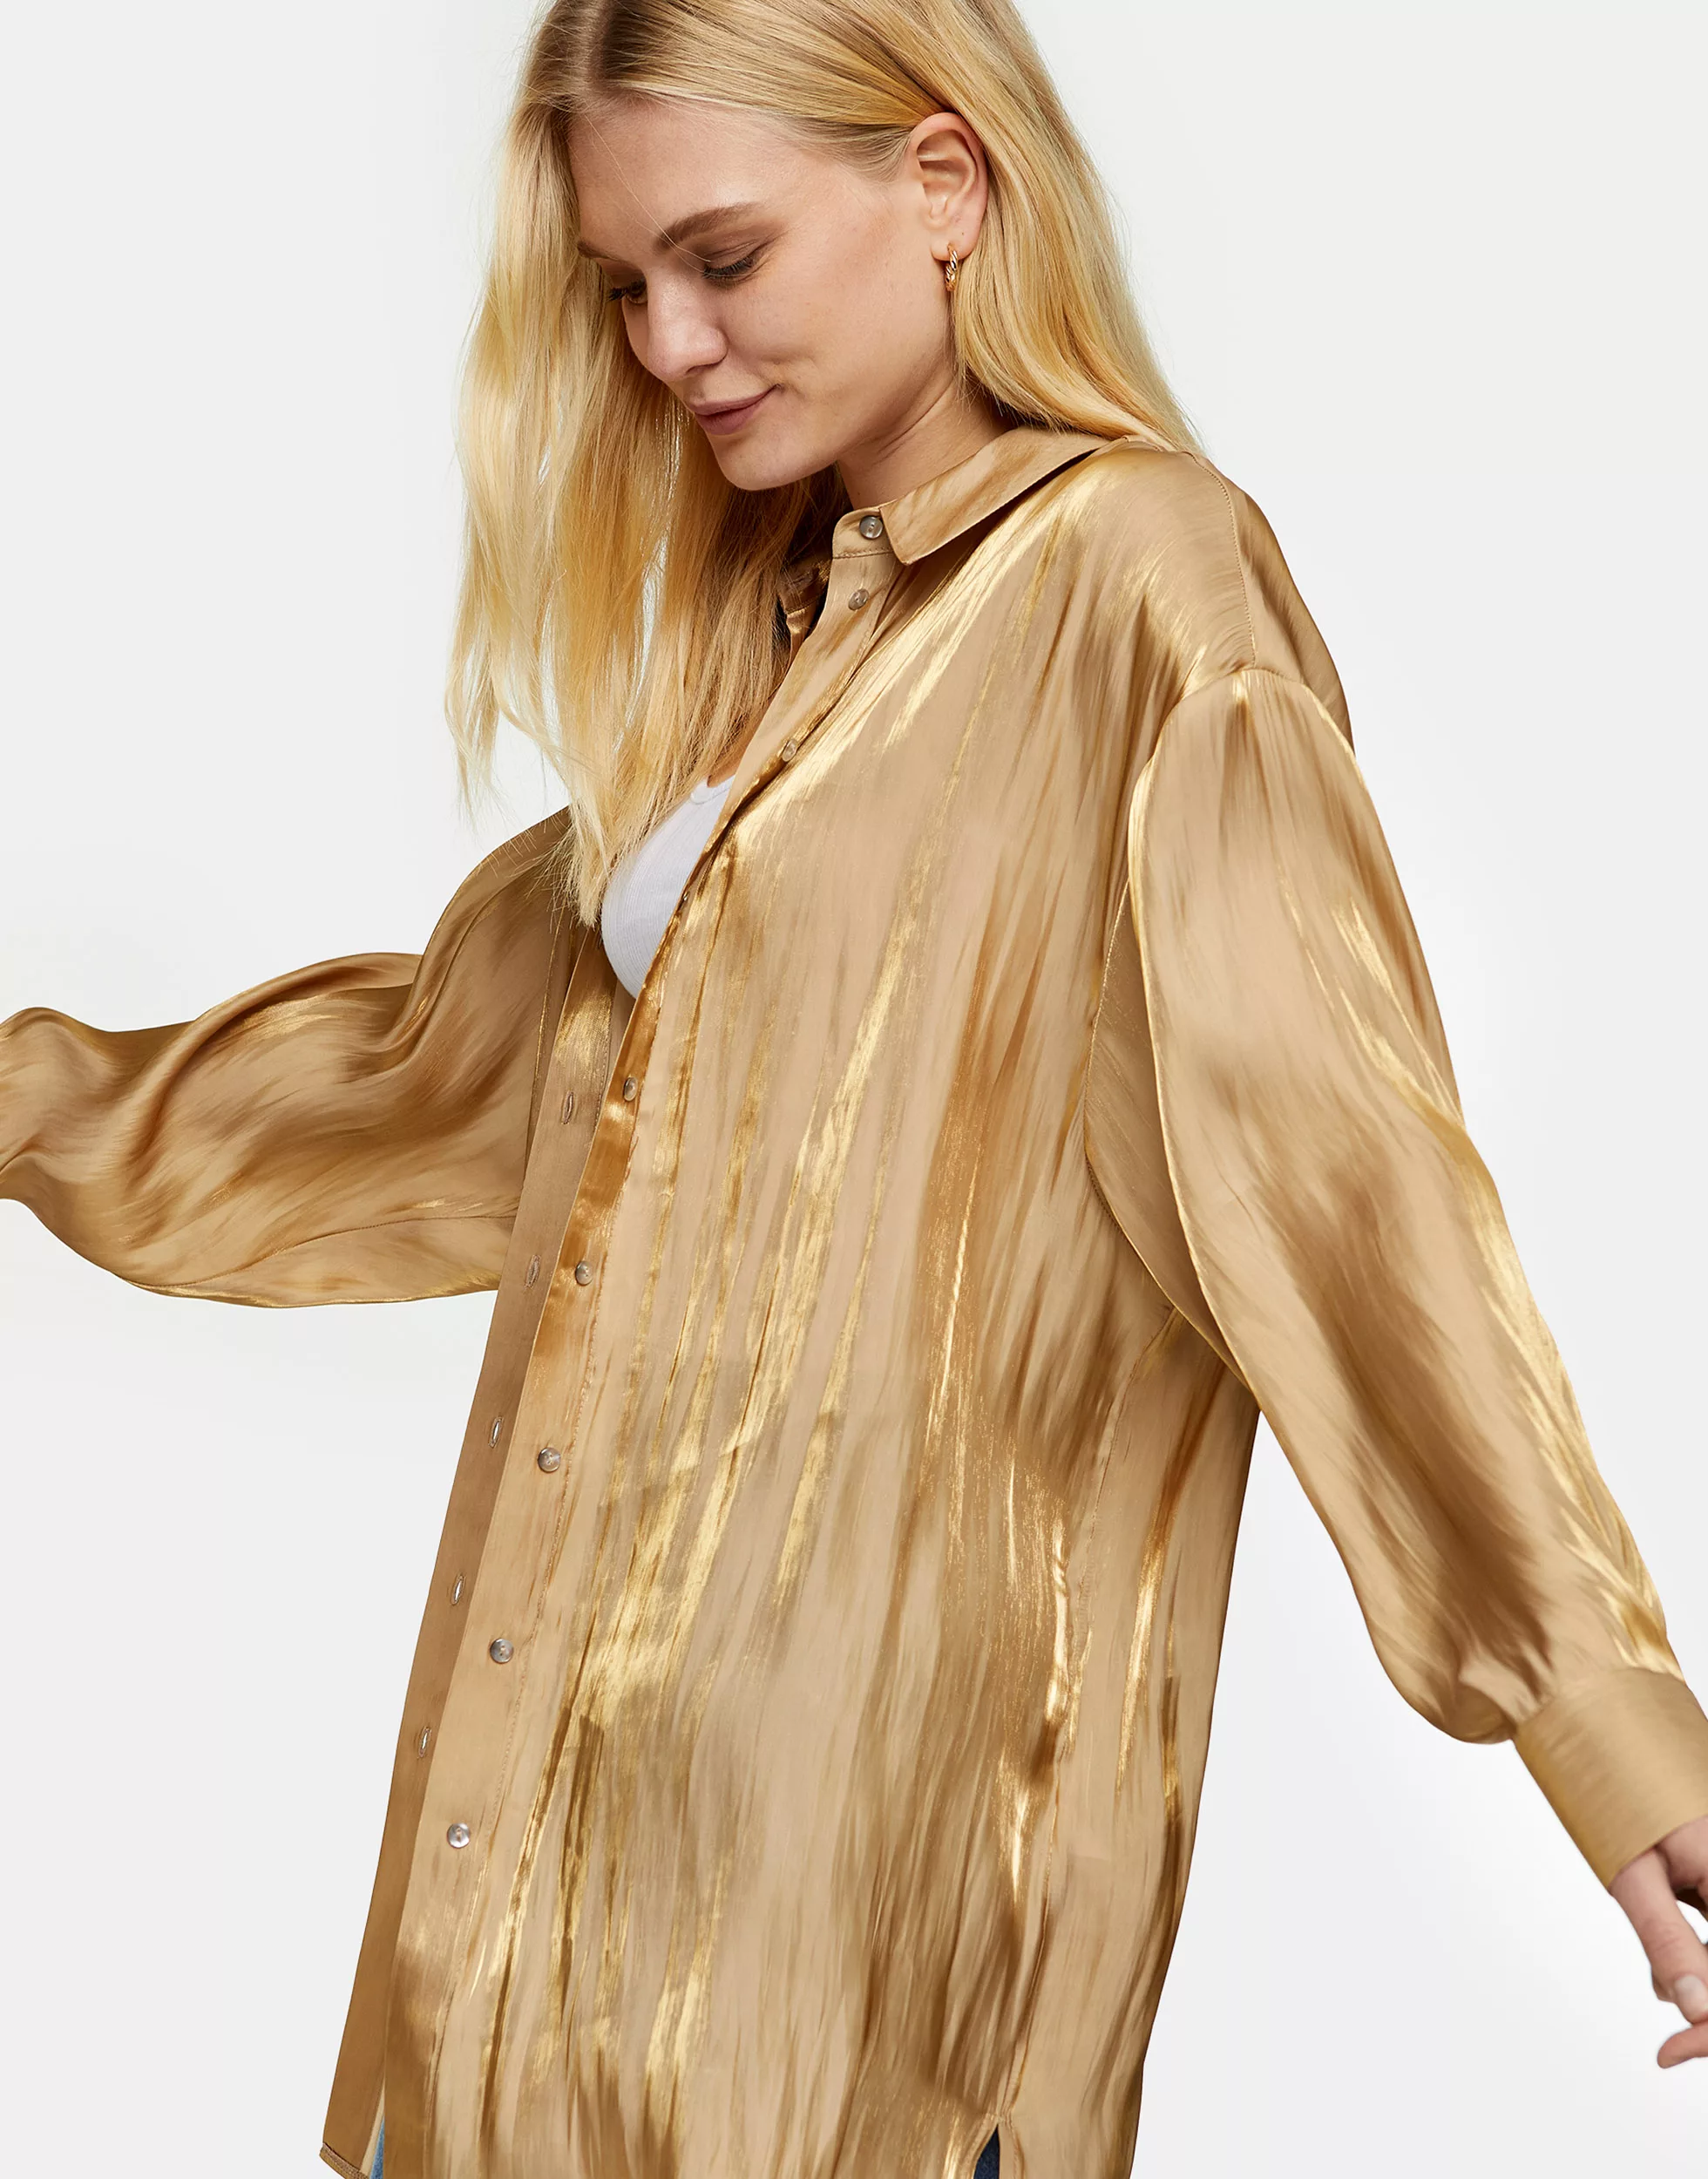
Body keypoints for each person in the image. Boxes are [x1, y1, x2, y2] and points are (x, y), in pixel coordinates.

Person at [3, 3, 1705, 2175]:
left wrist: (1603, 1728)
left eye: (720, 258)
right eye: (622, 285)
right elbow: (431, 1083)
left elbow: (1342, 1186)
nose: (665, 344)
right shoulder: (752, 647)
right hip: (537, 1877)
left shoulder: (1141, 591)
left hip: (881, 1930)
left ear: (943, 184)